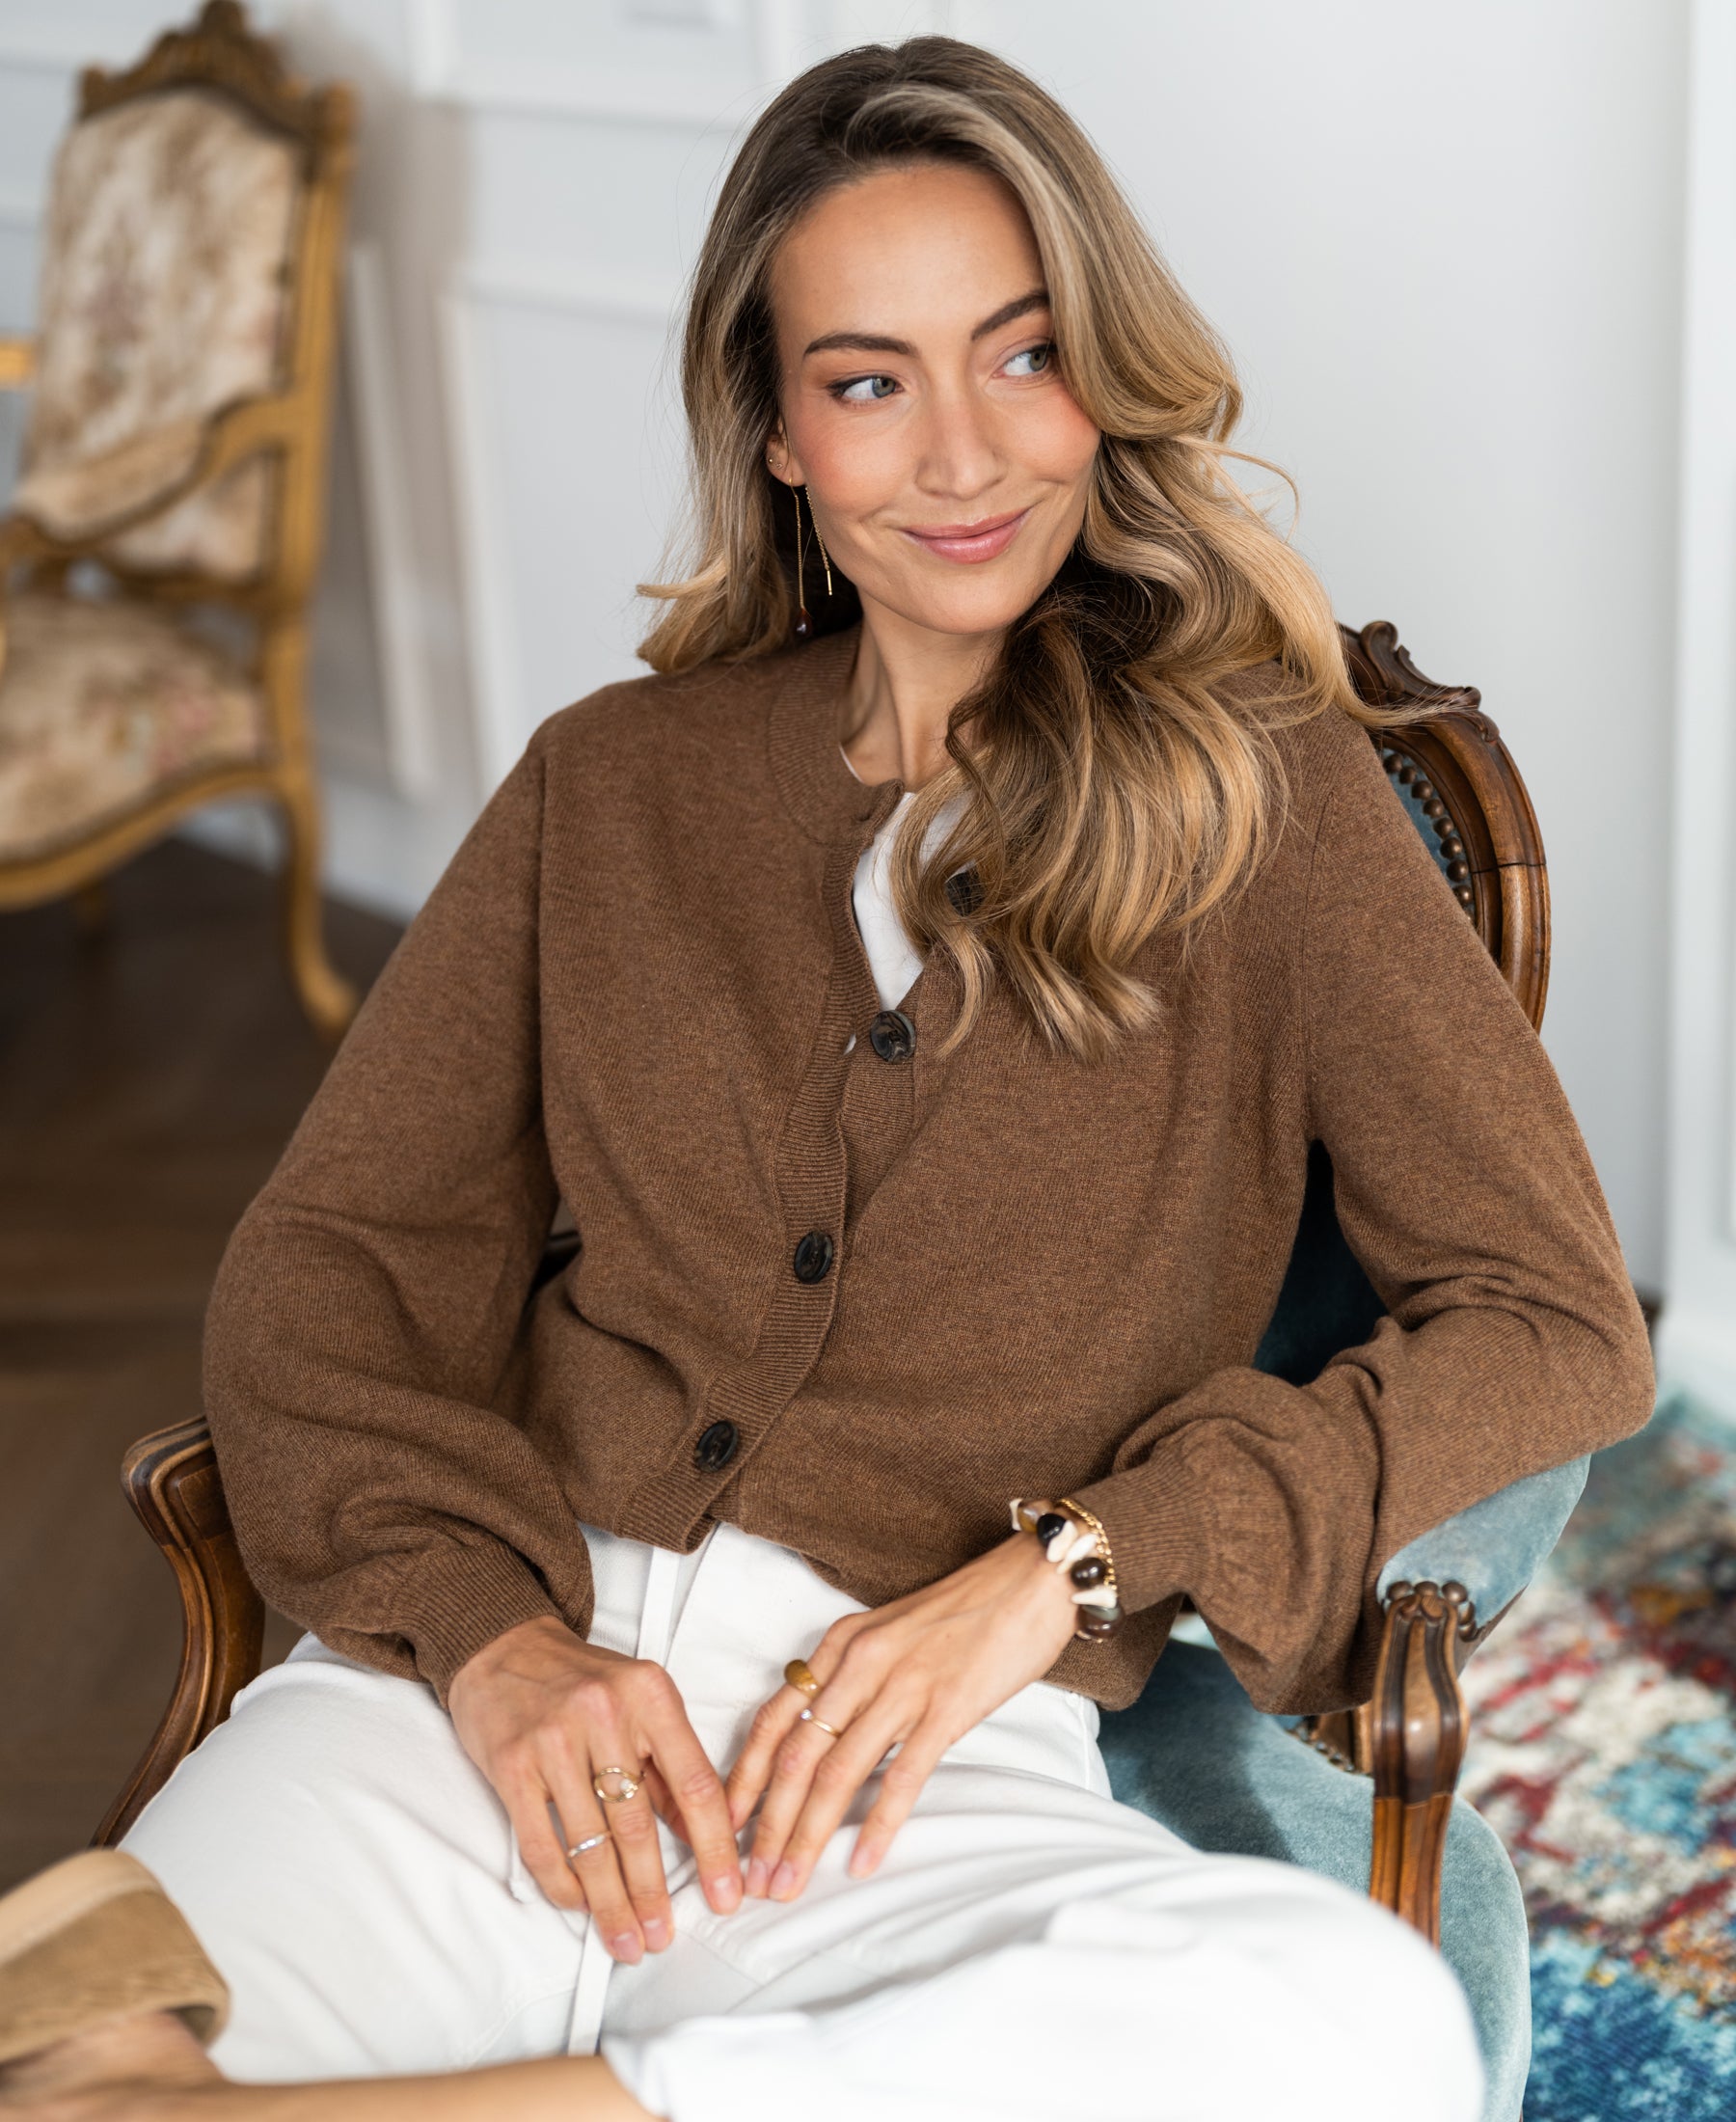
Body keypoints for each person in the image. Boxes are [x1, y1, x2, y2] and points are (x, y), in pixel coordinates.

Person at [0, 34, 1651, 2122]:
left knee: (1359, 2029)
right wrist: (489, 1639)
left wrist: (1063, 1565)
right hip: (454, 1720)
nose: (962, 453)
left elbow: (1556, 1319)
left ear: (1102, 377)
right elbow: (329, 1261)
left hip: (914, 1780)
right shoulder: (609, 787)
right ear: (778, 431)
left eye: (1022, 355)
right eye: (869, 380)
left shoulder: (1279, 810)